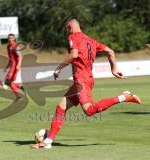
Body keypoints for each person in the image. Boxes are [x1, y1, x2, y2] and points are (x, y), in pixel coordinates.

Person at [30, 17, 141, 149]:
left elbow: (73, 55)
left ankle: (124, 97)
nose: (67, 33)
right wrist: (114, 68)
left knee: (89, 110)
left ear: (69, 27)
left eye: (67, 30)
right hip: (85, 79)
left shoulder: (73, 37)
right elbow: (110, 51)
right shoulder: (91, 41)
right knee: (61, 107)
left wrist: (58, 68)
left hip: (81, 81)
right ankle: (48, 142)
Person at [5, 33, 25, 101]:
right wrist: (7, 67)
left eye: (11, 38)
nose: (10, 39)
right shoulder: (8, 46)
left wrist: (18, 65)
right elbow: (10, 58)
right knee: (9, 82)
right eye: (9, 38)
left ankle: (19, 96)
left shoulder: (15, 46)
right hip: (11, 67)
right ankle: (20, 86)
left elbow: (20, 56)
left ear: (14, 39)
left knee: (8, 82)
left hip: (15, 66)